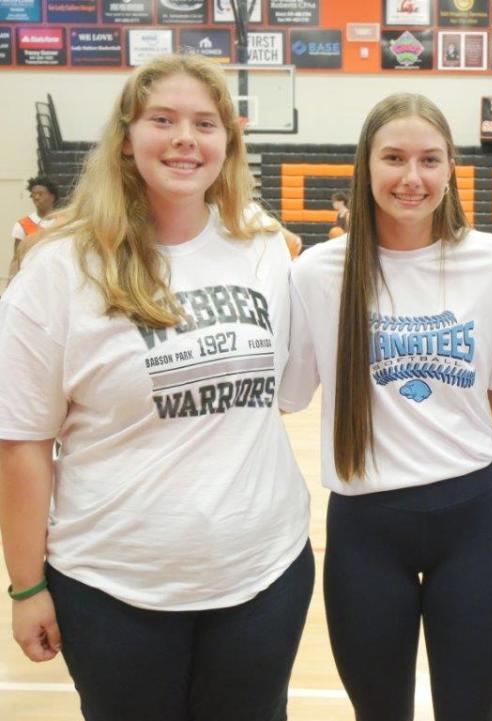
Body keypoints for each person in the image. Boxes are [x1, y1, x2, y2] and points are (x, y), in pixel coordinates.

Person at [0, 54, 313, 721]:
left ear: (227, 144)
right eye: (162, 120)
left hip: (262, 574)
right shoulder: (60, 268)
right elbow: (22, 442)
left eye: (205, 123)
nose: (184, 138)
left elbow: (288, 394)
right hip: (113, 586)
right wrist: (26, 585)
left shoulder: (264, 249)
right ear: (126, 137)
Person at [279, 93, 492, 721]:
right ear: (366, 166)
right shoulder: (317, 272)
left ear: (451, 170)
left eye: (429, 160)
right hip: (365, 528)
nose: (411, 178)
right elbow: (290, 395)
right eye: (393, 158)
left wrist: (441, 419)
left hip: (472, 518)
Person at [8, 176, 59, 278]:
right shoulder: (22, 224)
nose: (36, 197)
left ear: (52, 197)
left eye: (40, 194)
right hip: (31, 277)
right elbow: (17, 257)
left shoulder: (64, 222)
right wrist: (12, 279)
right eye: (33, 194)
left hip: (55, 274)